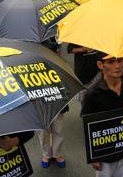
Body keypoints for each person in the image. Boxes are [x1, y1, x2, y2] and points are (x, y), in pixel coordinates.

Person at [81, 52, 123, 177]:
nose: (117, 66)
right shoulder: (92, 93)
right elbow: (88, 126)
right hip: (105, 150)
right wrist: (95, 156)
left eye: (120, 60)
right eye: (111, 62)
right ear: (100, 64)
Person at [38, 37, 68, 168]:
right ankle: (46, 154)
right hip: (40, 102)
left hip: (57, 101)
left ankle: (56, 153)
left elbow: (68, 84)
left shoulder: (60, 64)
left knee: (58, 129)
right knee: (43, 131)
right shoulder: (31, 65)